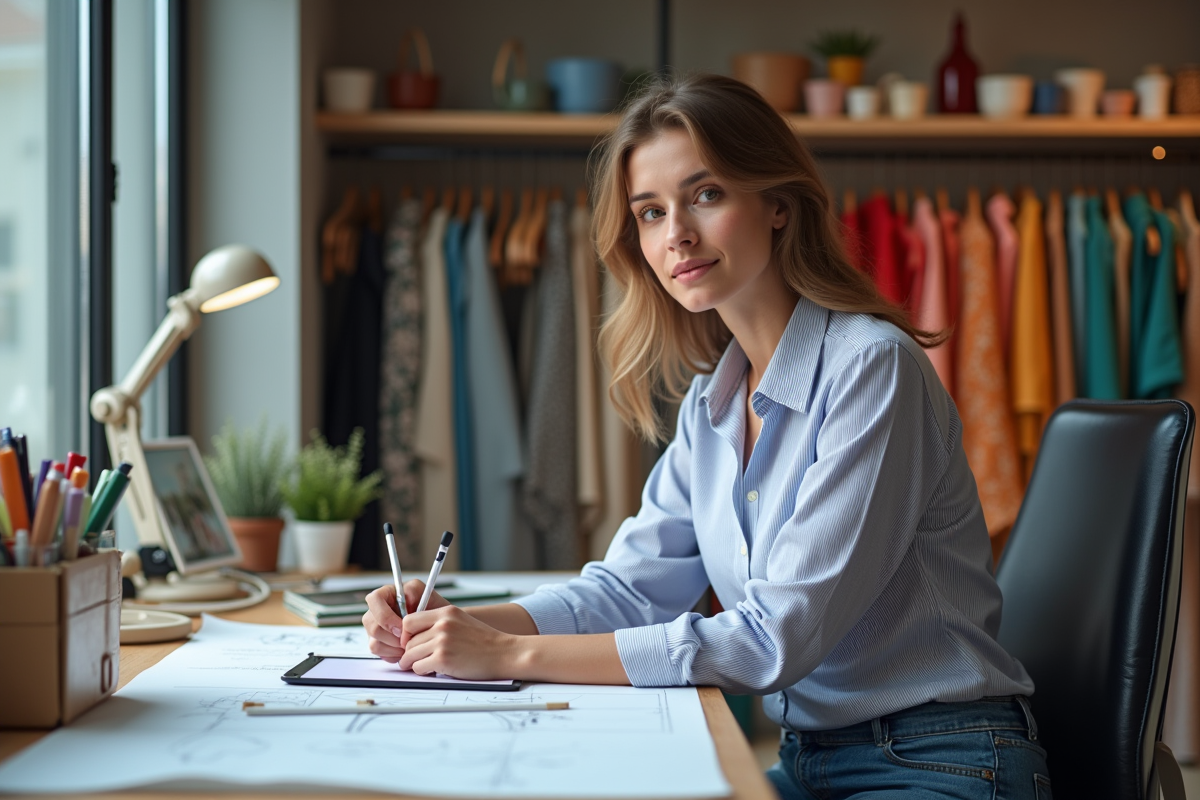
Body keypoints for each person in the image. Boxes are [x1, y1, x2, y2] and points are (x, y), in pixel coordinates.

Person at [362, 74, 1050, 799]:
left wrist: (509, 652)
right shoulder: (713, 402)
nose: (676, 235)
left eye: (707, 195)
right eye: (650, 213)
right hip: (812, 762)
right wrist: (449, 622)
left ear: (778, 203)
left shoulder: (871, 368)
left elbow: (769, 640)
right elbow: (630, 590)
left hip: (944, 760)